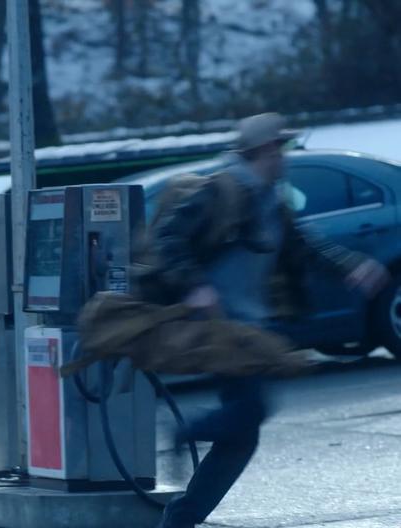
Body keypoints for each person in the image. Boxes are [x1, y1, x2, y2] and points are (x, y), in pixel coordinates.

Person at [151, 113, 390, 528]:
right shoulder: (221, 191)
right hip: (222, 326)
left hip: (251, 325)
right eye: (279, 147)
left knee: (242, 438)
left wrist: (351, 266)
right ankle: (187, 431)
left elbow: (303, 249)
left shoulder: (270, 199)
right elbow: (168, 238)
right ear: (264, 151)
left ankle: (180, 520)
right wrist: (194, 285)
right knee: (250, 412)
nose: (284, 154)